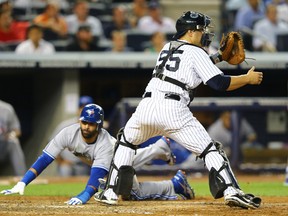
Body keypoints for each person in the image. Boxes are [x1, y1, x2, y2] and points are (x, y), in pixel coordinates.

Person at [95, 11, 263, 209]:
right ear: (191, 32)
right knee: (210, 149)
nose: (205, 33)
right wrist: (247, 79)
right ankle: (231, 191)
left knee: (126, 142)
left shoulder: (168, 47)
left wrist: (218, 57)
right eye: (202, 29)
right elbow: (218, 83)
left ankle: (110, 192)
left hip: (146, 108)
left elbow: (191, 65)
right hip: (173, 110)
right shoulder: (197, 51)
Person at [0, 104, 194, 204]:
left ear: (99, 125)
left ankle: (174, 185)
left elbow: (95, 178)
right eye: (84, 122)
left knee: (133, 194)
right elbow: (45, 159)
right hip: (110, 159)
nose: (86, 126)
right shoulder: (68, 133)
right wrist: (22, 182)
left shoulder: (104, 144)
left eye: (91, 124)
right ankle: (161, 150)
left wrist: (84, 196)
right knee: (134, 160)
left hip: (115, 157)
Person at [49, 95, 95, 176]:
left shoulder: (95, 128)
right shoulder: (65, 125)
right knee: (65, 173)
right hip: (67, 164)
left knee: (82, 186)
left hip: (84, 165)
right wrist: (61, 161)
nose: (83, 111)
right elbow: (52, 144)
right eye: (81, 107)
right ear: (77, 110)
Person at [0, 99, 26, 176]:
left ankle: (22, 179)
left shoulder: (6, 108)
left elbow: (17, 130)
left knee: (13, 141)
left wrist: (11, 135)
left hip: (3, 144)